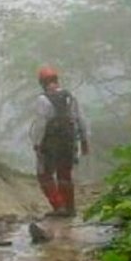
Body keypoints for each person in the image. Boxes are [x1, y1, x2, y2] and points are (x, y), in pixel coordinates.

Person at [30, 65, 90, 217]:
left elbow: (40, 124)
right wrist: (84, 140)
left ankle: (59, 206)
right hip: (69, 141)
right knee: (65, 174)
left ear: (42, 82)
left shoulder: (42, 99)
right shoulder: (70, 97)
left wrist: (37, 144)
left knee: (44, 175)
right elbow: (80, 118)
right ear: (56, 79)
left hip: (49, 143)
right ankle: (70, 208)